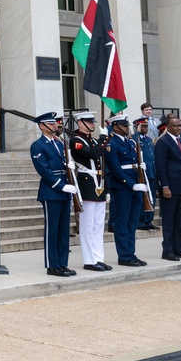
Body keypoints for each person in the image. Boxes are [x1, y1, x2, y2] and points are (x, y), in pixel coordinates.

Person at [29, 112, 76, 277]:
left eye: (55, 123)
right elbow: (45, 171)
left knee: (63, 230)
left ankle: (62, 263)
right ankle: (52, 265)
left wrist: (70, 166)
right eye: (51, 123)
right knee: (52, 230)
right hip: (52, 191)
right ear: (42, 126)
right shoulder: (38, 145)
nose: (56, 125)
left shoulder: (60, 142)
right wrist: (62, 186)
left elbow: (63, 164)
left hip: (65, 190)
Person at [104, 114, 149, 266]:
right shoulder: (112, 144)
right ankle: (123, 256)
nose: (127, 127)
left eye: (127, 124)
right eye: (124, 125)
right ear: (115, 126)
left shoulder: (130, 142)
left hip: (135, 184)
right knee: (122, 222)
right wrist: (131, 184)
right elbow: (115, 169)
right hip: (122, 187)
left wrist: (140, 169)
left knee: (133, 221)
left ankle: (131, 253)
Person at [69, 111, 110, 272]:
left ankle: (98, 257)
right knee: (87, 225)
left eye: (92, 121)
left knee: (99, 225)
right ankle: (89, 260)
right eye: (88, 121)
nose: (92, 124)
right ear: (80, 123)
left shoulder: (92, 140)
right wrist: (104, 139)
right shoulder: (76, 141)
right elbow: (93, 154)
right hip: (87, 184)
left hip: (98, 184)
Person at [155, 114, 181, 261]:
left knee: (179, 220)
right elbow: (160, 166)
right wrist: (164, 186)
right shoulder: (163, 142)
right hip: (169, 187)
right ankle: (168, 250)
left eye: (180, 126)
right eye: (176, 126)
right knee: (169, 220)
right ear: (168, 127)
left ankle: (179, 248)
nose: (179, 128)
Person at [134, 117, 159, 231]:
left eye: (146, 126)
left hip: (151, 172)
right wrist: (137, 132)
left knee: (152, 197)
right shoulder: (135, 138)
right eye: (143, 126)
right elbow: (133, 143)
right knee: (143, 198)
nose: (146, 128)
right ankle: (141, 221)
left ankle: (149, 221)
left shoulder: (148, 140)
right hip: (143, 173)